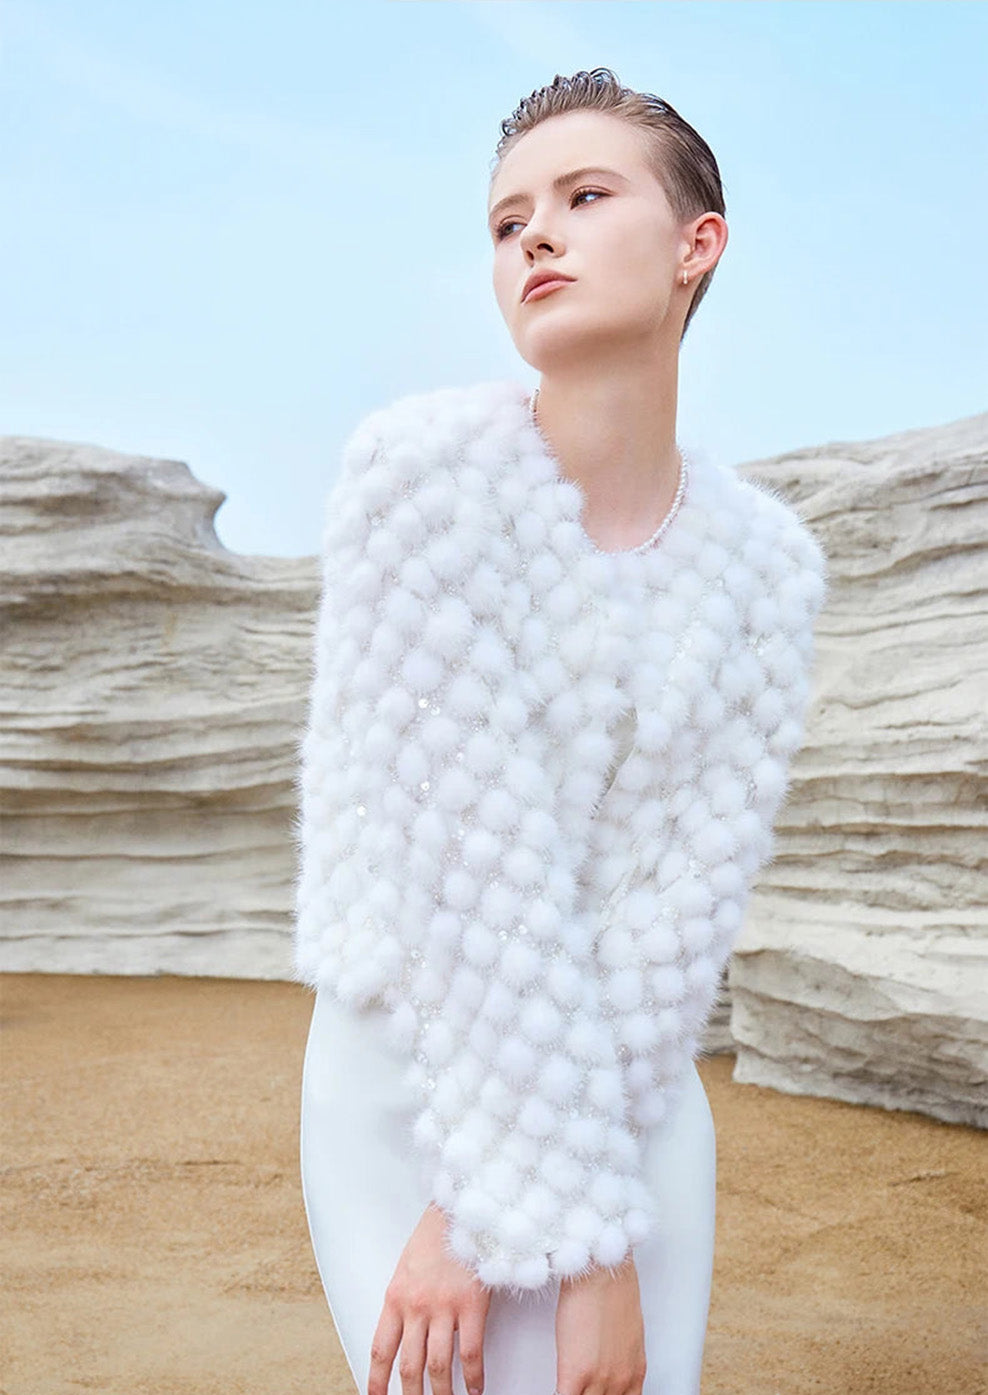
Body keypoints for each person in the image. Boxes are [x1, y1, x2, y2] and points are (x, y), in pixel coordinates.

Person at [294, 68, 827, 1395]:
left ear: (698, 243)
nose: (536, 234)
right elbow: (466, 875)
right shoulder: (417, 483)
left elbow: (677, 915)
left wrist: (596, 1247)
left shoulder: (763, 568)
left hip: (631, 1102)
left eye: (586, 197)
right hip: (407, 1085)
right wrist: (508, 1224)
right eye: (507, 219)